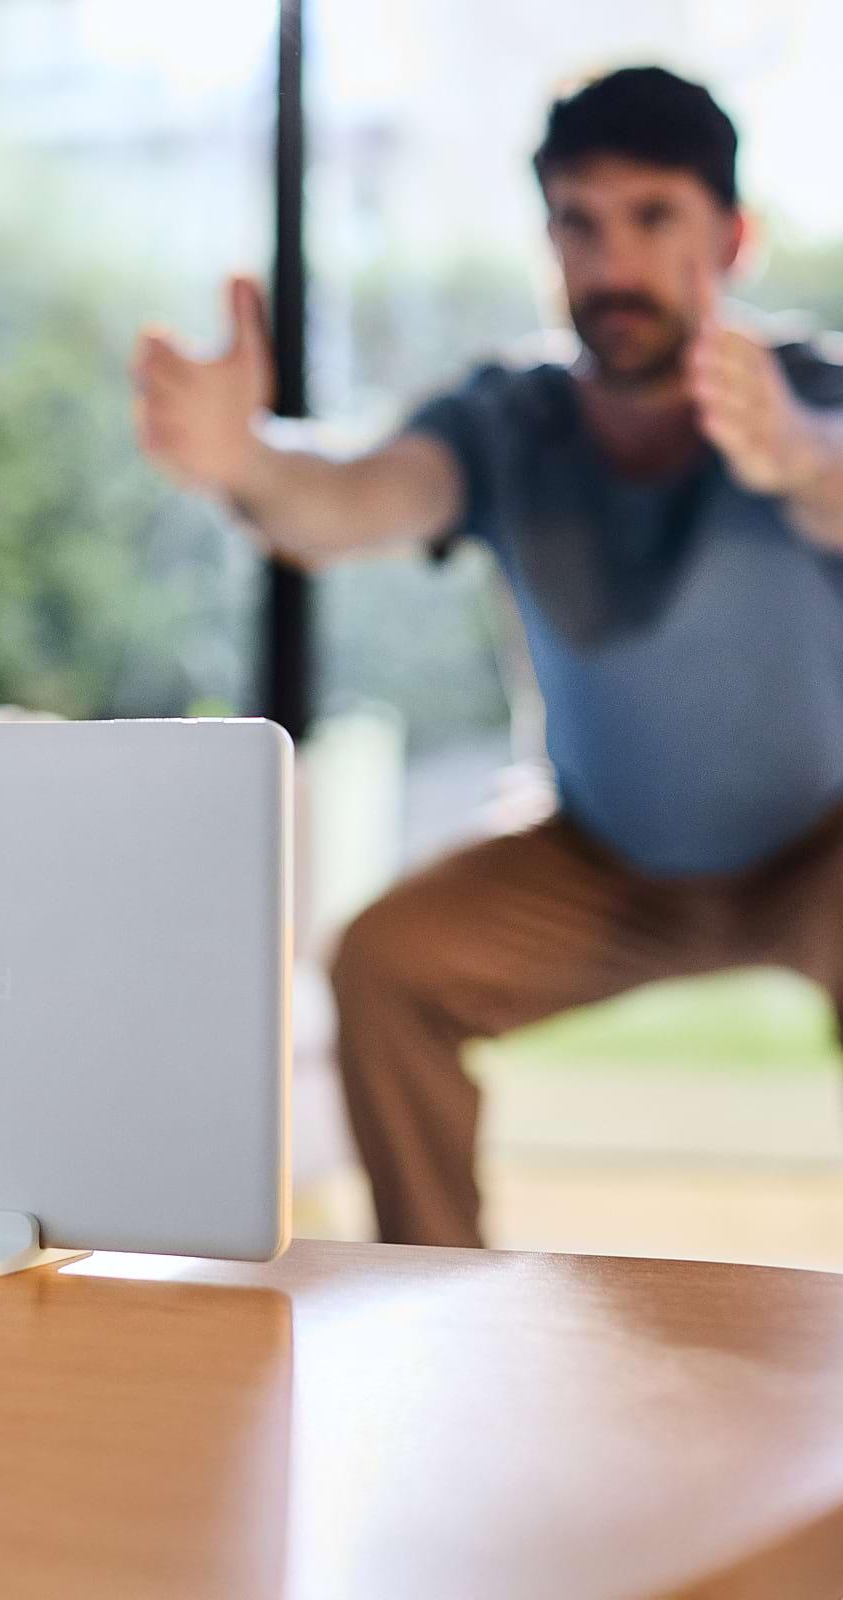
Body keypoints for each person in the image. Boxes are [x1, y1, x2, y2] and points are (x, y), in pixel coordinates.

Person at [131, 65, 843, 1247]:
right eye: (577, 223)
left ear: (732, 238)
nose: (611, 264)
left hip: (819, 855)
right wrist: (245, 462)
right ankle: (442, 1298)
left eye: (652, 218)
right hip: (600, 860)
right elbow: (355, 496)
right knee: (385, 964)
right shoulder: (509, 419)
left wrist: (799, 456)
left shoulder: (810, 390)